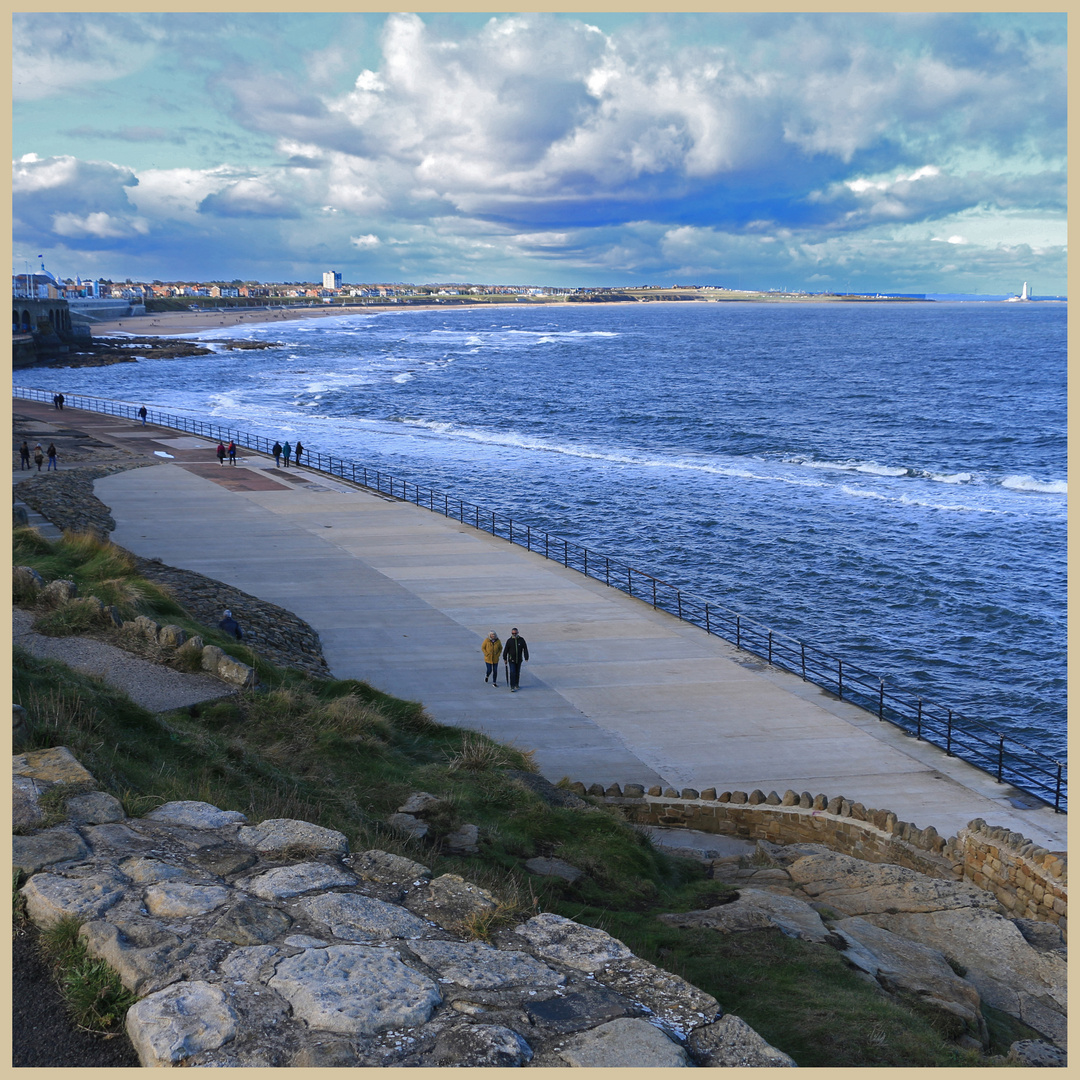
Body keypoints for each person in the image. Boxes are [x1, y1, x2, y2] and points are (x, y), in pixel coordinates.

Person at [502, 627, 529, 692]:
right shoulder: (509, 641)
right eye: (513, 633)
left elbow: (525, 648)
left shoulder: (521, 640)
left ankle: (517, 684)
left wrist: (526, 657)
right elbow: (506, 650)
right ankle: (512, 686)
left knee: (517, 672)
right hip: (511, 660)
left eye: (515, 633)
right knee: (512, 672)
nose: (514, 634)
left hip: (519, 659)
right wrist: (505, 658)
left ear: (518, 633)